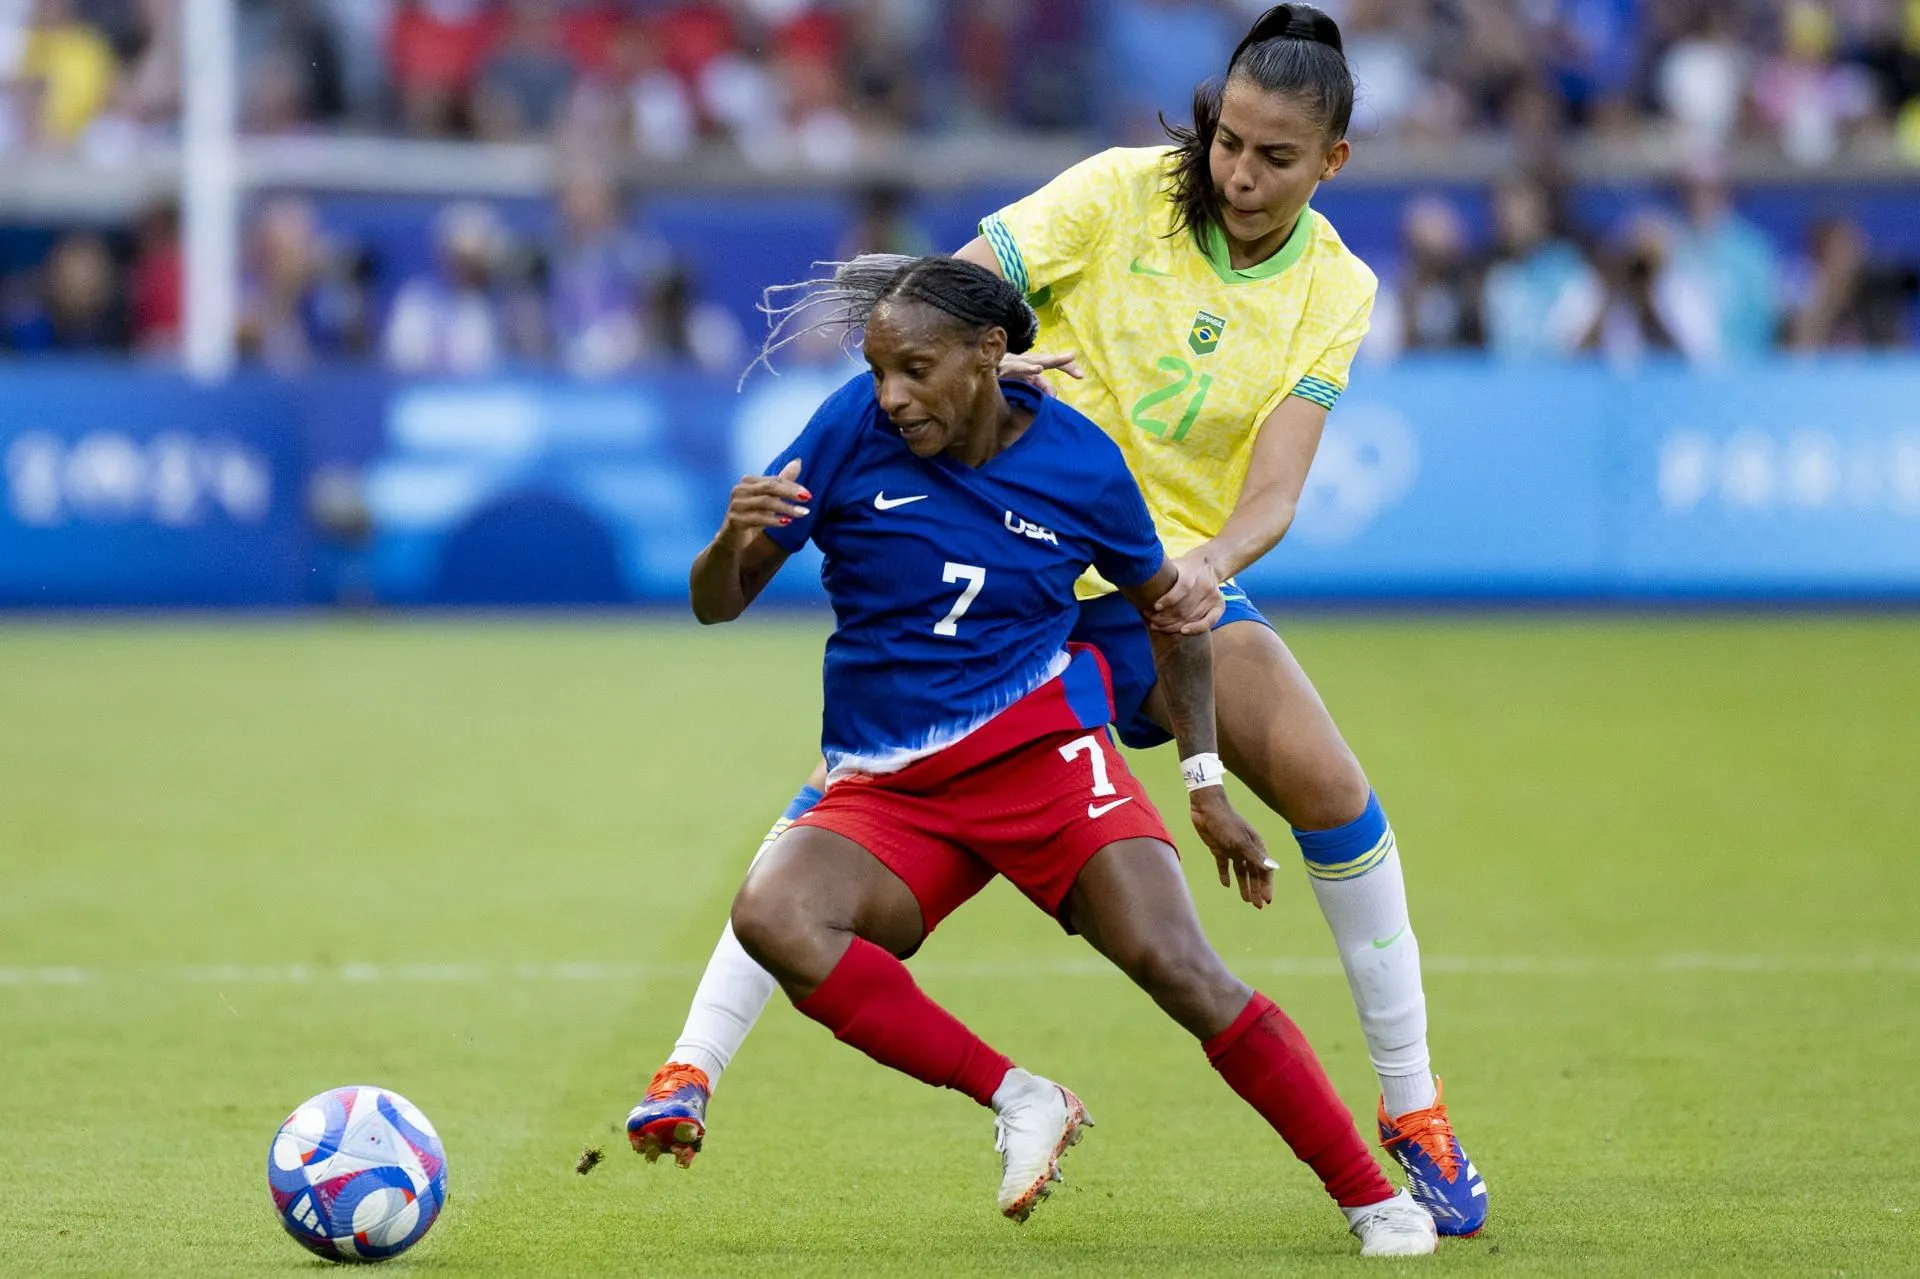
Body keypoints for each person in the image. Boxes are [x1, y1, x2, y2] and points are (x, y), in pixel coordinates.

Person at [630, 4, 1489, 1239]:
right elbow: (959, 293)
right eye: (1229, 141)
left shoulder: (1335, 287)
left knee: (1331, 786)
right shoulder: (1115, 194)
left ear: (1333, 164)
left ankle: (1414, 1112)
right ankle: (692, 1062)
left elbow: (1280, 487)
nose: (1241, 174)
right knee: (856, 780)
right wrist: (988, 360)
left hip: (1158, 584)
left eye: (1275, 157)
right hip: (1015, 568)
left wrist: (1213, 566)